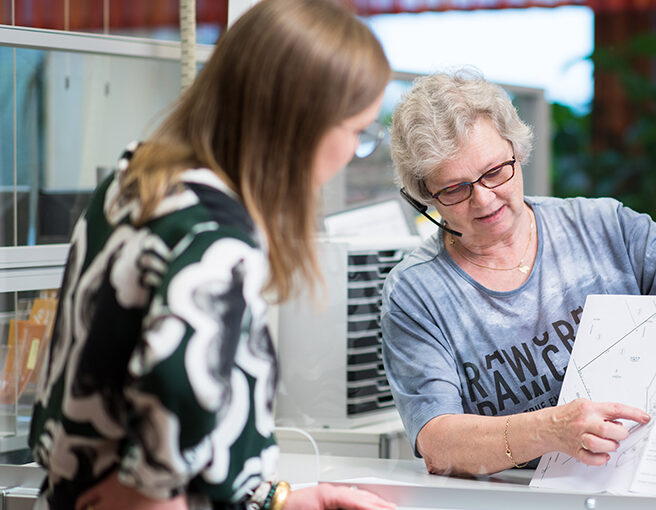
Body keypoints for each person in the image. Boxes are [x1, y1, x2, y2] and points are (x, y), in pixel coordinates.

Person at [28, 1, 396, 509]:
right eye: (357, 131)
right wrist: (154, 496)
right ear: (301, 124)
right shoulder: (219, 238)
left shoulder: (134, 182)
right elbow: (177, 391)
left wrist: (278, 500)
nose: (355, 149)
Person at [381, 69, 656, 477]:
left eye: (495, 171)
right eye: (455, 190)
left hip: (644, 482)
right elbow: (438, 443)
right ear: (425, 196)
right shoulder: (416, 292)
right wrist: (550, 430)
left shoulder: (603, 227)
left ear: (517, 149)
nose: (483, 199)